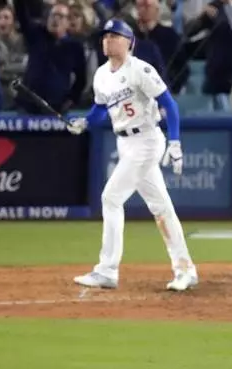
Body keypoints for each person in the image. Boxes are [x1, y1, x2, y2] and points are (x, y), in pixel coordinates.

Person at [67, 19, 198, 292]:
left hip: (147, 140)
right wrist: (86, 122)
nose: (108, 40)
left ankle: (107, 270)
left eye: (115, 36)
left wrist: (174, 141)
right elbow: (101, 108)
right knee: (161, 206)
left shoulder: (140, 69)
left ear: (129, 41)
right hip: (125, 142)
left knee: (110, 197)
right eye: (105, 36)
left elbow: (169, 105)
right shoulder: (102, 74)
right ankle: (185, 269)